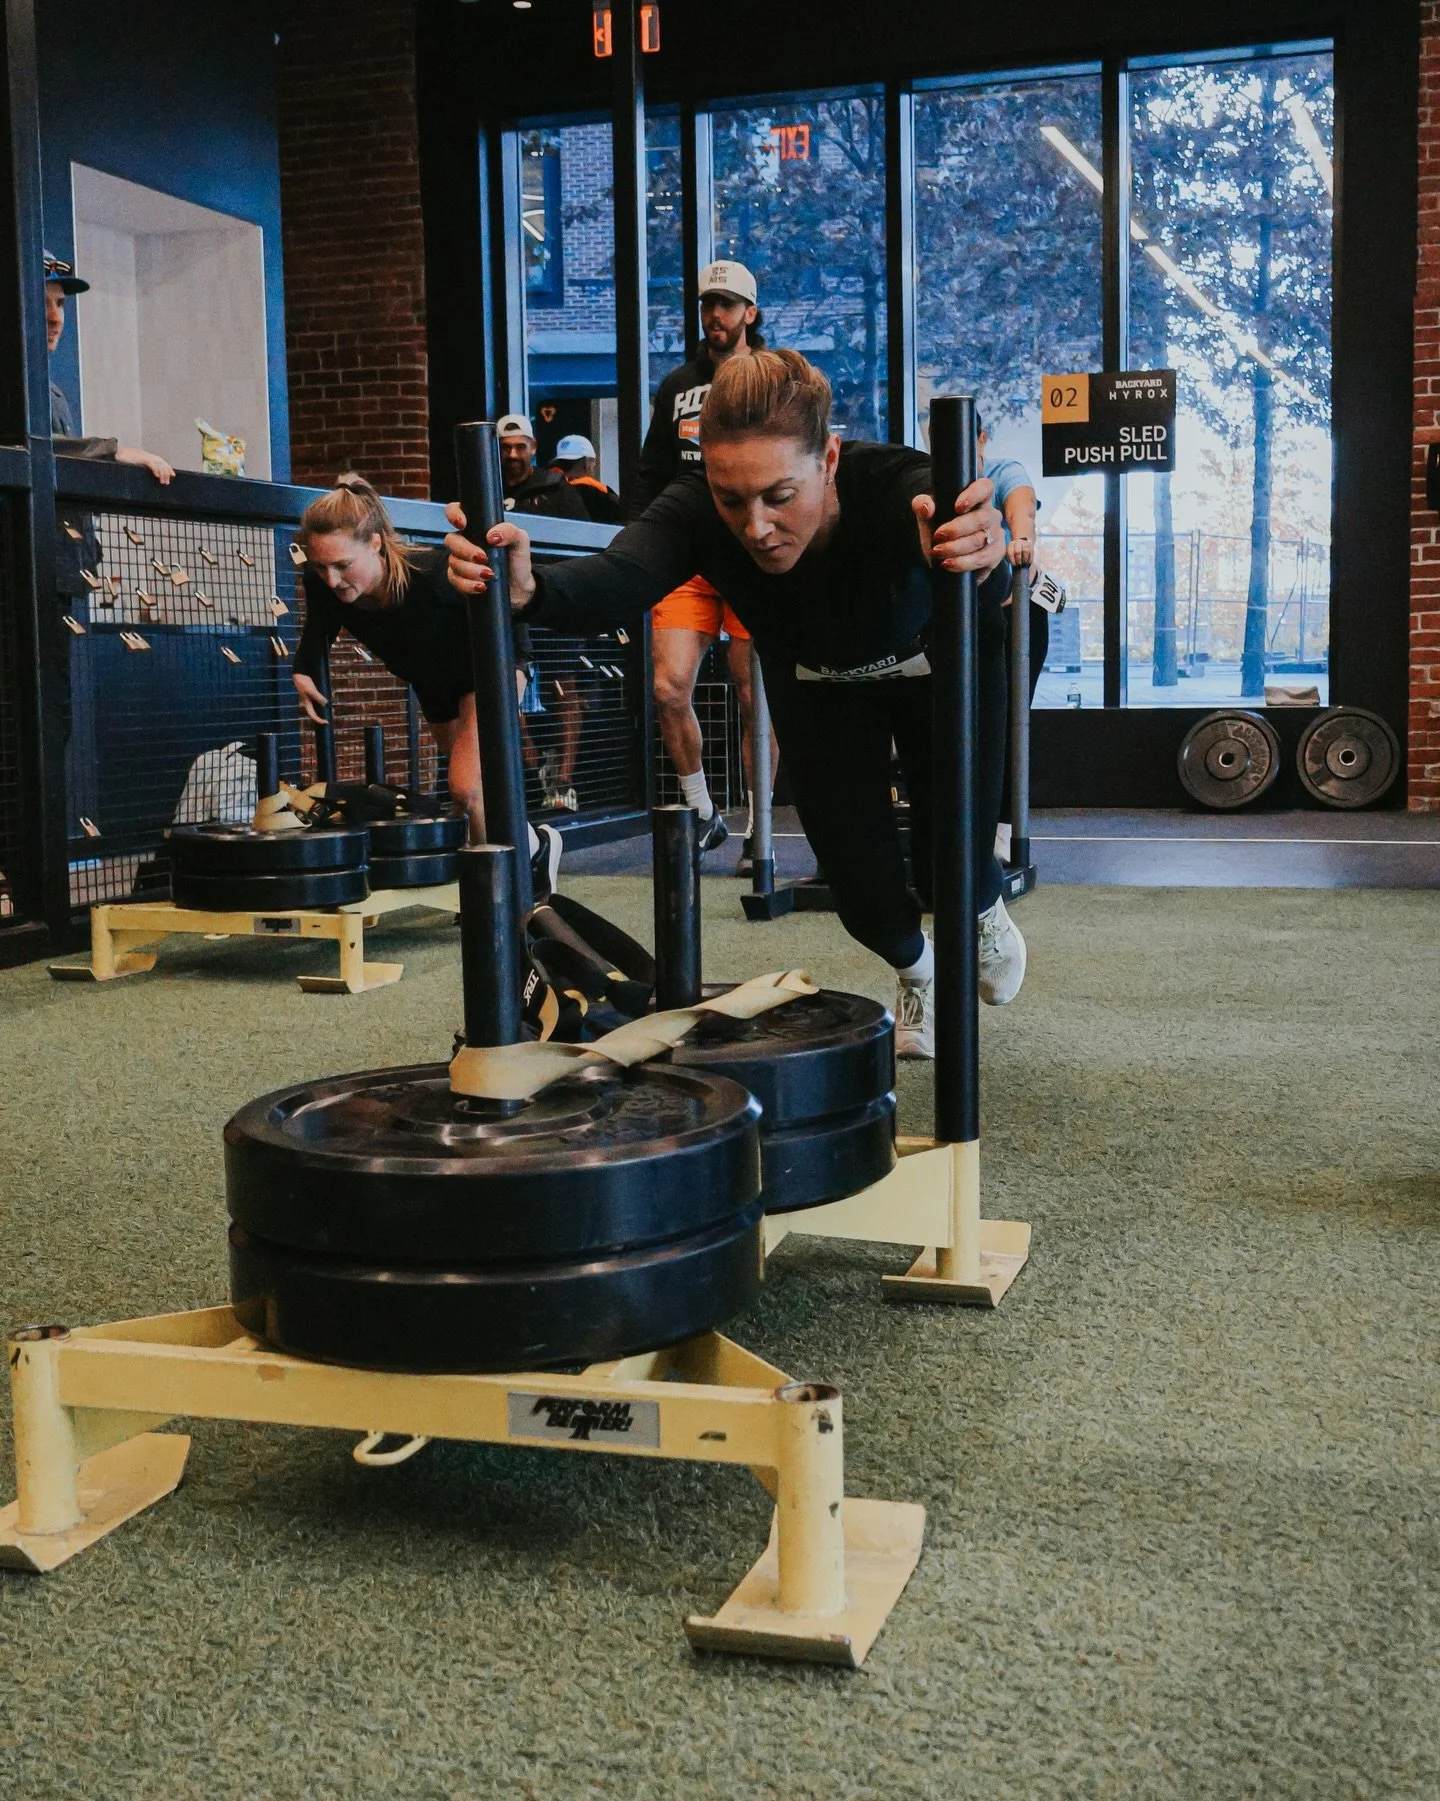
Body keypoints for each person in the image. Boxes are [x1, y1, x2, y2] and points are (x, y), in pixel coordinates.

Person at [447, 350, 1024, 1059]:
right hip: (819, 682)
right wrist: (530, 591)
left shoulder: (898, 485)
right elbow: (619, 575)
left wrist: (983, 551)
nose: (755, 527)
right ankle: (919, 970)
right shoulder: (696, 508)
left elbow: (978, 561)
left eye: (780, 496)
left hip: (941, 667)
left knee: (954, 866)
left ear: (830, 459)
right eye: (731, 499)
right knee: (866, 897)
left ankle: (983, 904)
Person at [292, 474, 561, 893]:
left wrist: (512, 675)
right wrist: (304, 671)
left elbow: (506, 611)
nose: (331, 579)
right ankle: (534, 846)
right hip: (431, 682)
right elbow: (318, 630)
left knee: (469, 787)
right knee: (467, 797)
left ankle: (514, 887)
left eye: (343, 565)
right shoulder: (325, 586)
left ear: (377, 544)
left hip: (488, 665)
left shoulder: (434, 576)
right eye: (320, 566)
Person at [635, 260, 776, 867]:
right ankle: (701, 812)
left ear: (750, 313)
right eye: (705, 306)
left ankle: (759, 830)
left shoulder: (774, 379)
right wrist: (643, 548)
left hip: (752, 549)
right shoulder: (676, 387)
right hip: (689, 558)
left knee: (755, 695)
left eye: (726, 304)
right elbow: (650, 473)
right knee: (668, 689)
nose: (714, 316)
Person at [976, 415, 1049, 863]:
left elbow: (1020, 504)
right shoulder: (930, 481)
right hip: (960, 616)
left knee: (1007, 714)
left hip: (1015, 608)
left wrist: (1021, 541)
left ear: (981, 439)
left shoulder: (1002, 471)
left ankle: (1005, 828)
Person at [45, 252, 175, 481]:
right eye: (42, 302)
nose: (56, 318)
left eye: (60, 303)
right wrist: (115, 452)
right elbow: (33, 445)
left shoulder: (51, 391)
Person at [497, 414, 591, 521]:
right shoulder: (487, 490)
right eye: (506, 447)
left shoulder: (556, 489)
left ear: (533, 447)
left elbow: (582, 532)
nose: (513, 455)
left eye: (520, 447)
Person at [550, 434, 622, 525]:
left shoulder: (549, 492)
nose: (594, 465)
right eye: (593, 461)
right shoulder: (600, 493)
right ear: (587, 464)